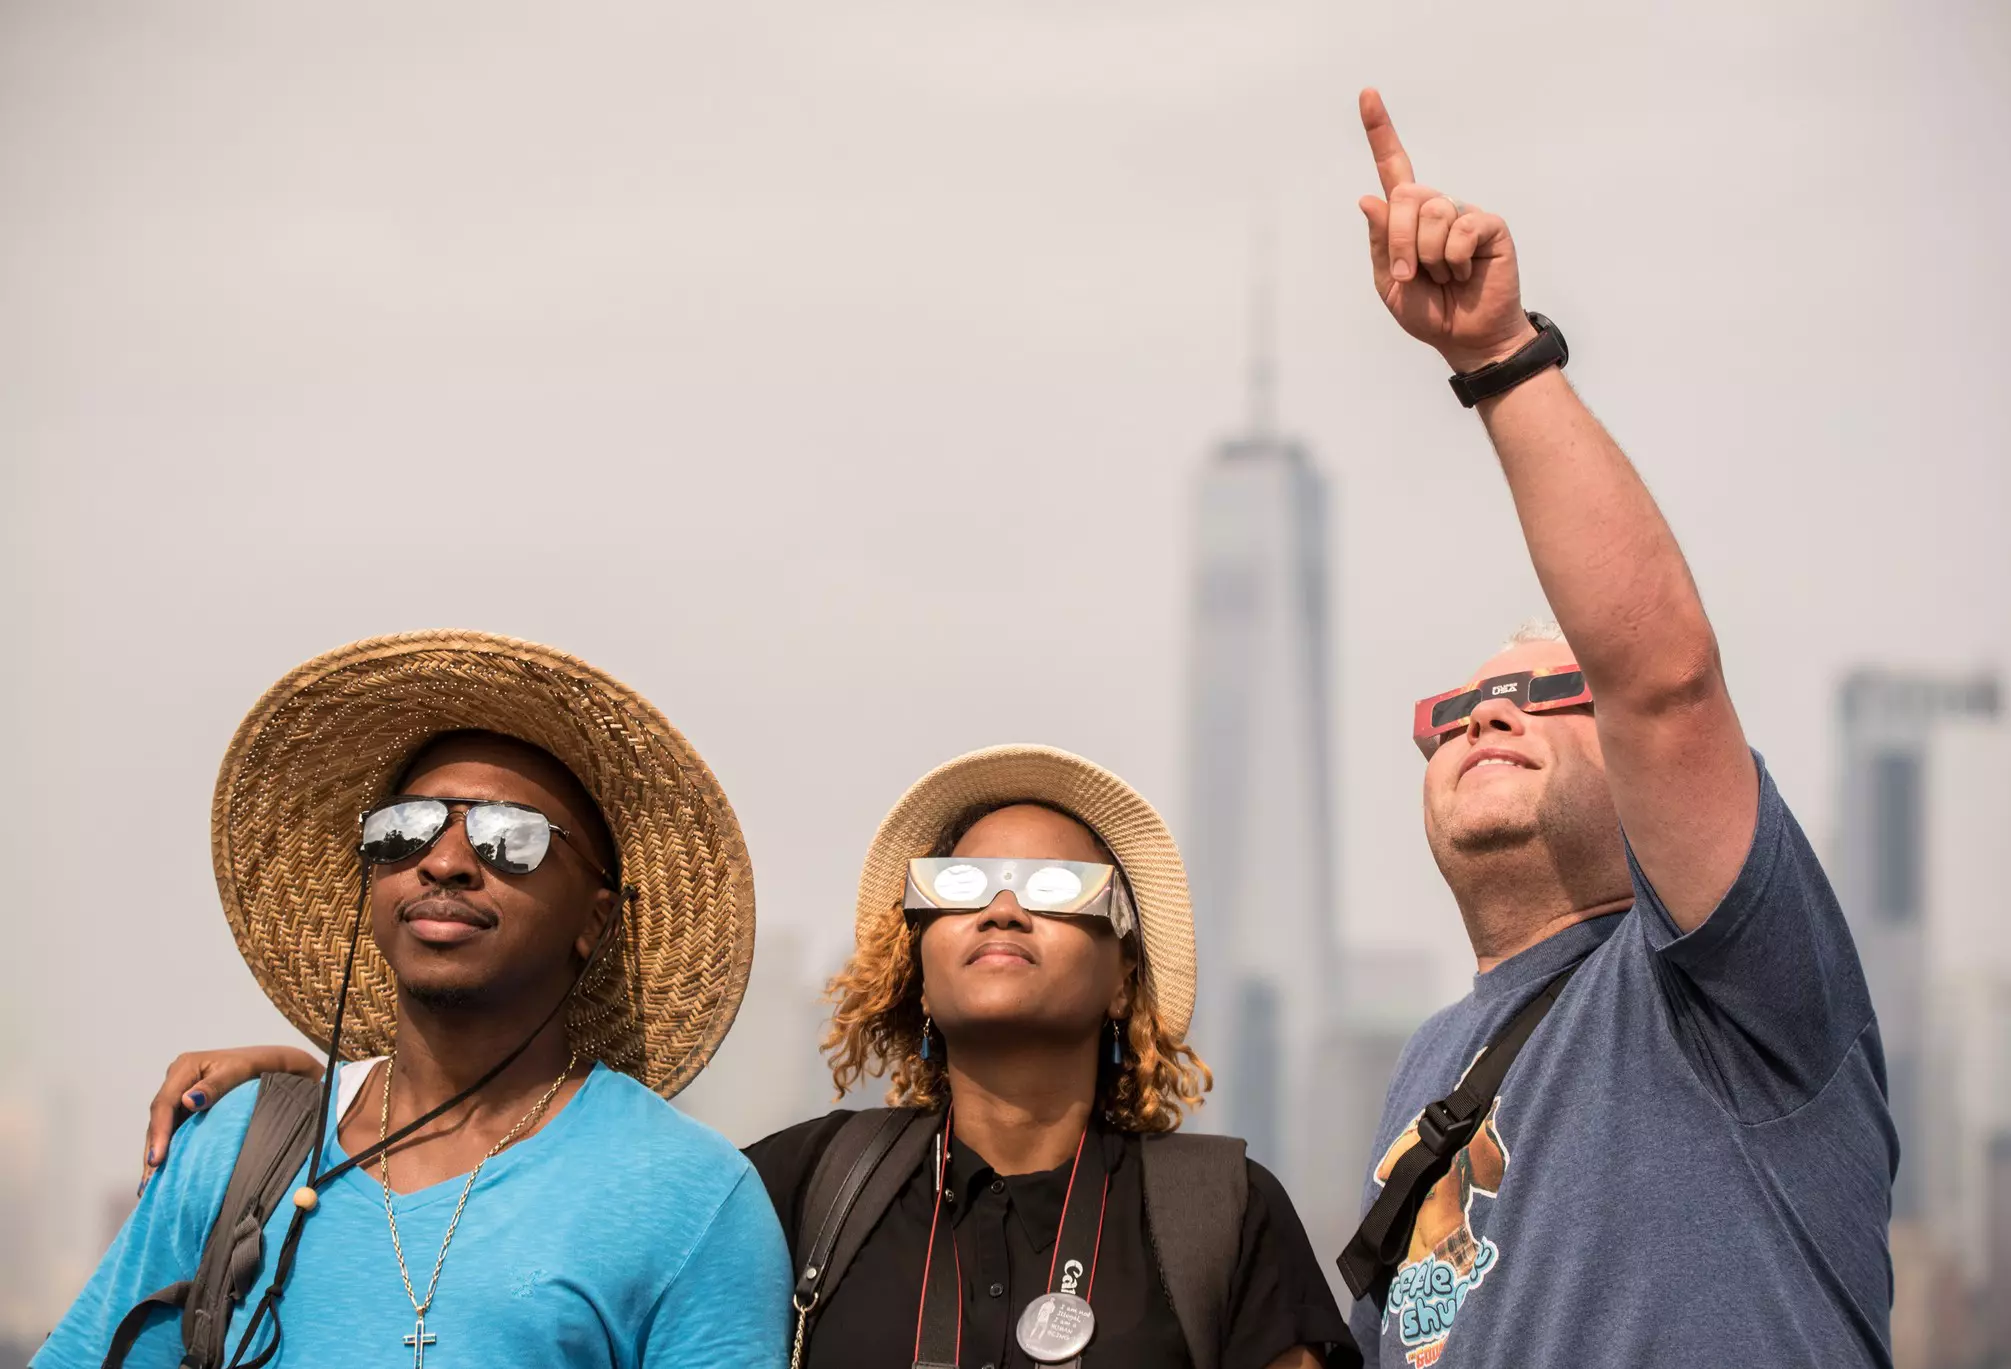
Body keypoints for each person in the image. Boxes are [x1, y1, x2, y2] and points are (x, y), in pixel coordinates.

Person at [138, 744, 1360, 1369]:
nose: (1000, 906)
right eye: (957, 883)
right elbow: (560, 1161)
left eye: (1054, 888)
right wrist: (332, 1086)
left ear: (1123, 971)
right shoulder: (794, 1187)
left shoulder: (1216, 1212)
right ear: (911, 957)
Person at [1335, 90, 1896, 1367]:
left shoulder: (1729, 983)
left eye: (1550, 692)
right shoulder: (1428, 1061)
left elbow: (1663, 679)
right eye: (1459, 709)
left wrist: (1497, 355)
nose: (1490, 711)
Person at [38, 631, 791, 1368]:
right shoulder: (235, 1146)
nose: (446, 860)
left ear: (594, 920)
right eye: (405, 828)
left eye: (511, 836)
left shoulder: (688, 1196)